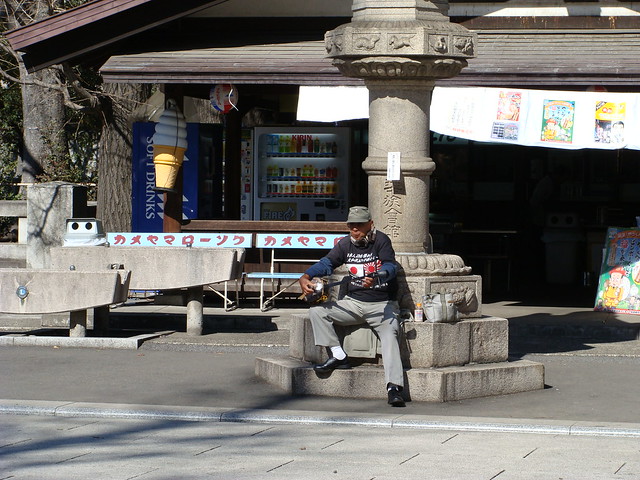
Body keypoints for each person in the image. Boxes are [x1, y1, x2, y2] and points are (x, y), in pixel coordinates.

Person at [298, 206, 405, 407]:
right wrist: (306, 276)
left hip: (382, 305)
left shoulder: (381, 240)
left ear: (370, 224)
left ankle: (394, 387)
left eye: (359, 225)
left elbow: (391, 265)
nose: (355, 229)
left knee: (390, 336)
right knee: (318, 311)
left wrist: (378, 277)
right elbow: (327, 262)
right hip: (354, 303)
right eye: (351, 225)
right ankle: (339, 355)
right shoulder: (344, 244)